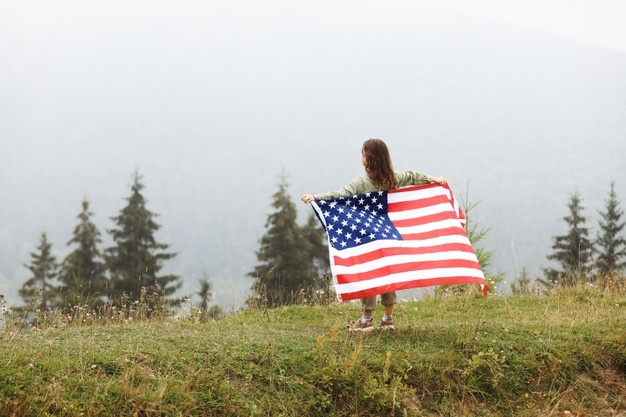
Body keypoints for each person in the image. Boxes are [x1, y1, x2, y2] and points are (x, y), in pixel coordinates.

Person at [301, 138, 447, 332]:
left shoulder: (362, 182)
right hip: (389, 236)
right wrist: (432, 179)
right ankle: (388, 319)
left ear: (369, 158)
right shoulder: (393, 178)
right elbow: (413, 176)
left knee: (370, 276)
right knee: (388, 274)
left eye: (363, 154)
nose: (361, 157)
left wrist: (317, 198)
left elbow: (340, 194)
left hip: (369, 238)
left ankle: (366, 320)